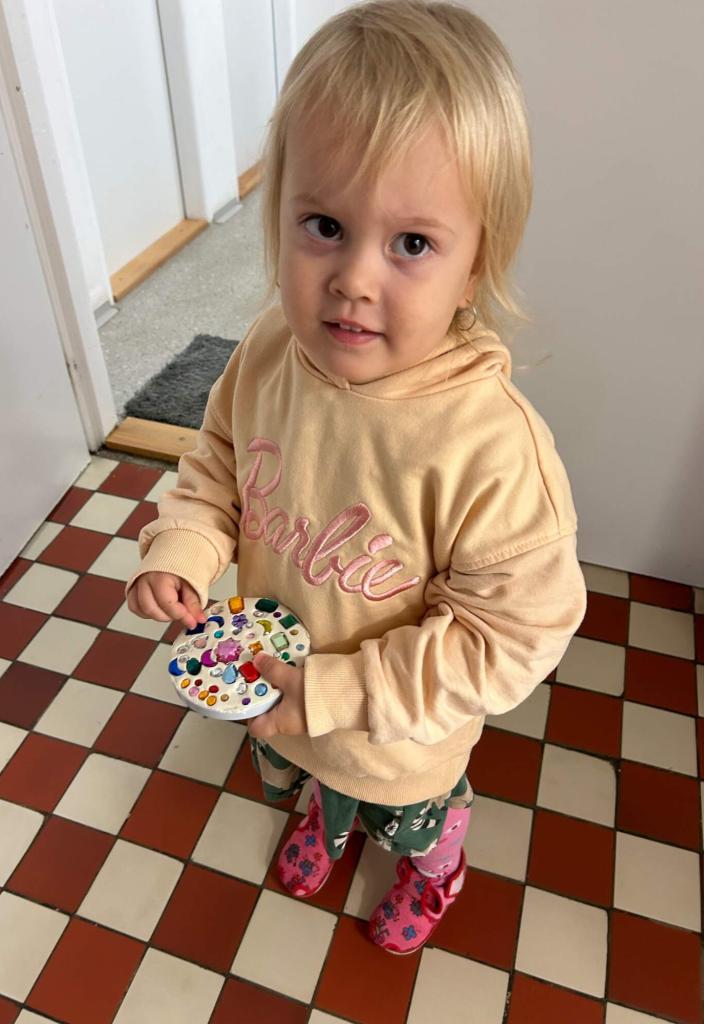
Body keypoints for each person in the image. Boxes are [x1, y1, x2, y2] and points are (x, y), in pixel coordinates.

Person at [126, 0, 587, 955]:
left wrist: (339, 695)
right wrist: (184, 544)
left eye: (412, 244)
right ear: (278, 217)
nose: (355, 280)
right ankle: (325, 816)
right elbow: (217, 463)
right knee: (315, 782)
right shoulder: (267, 352)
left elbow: (511, 638)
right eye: (325, 225)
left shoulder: (490, 451)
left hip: (401, 742)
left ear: (477, 265)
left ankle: (436, 865)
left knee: (407, 820)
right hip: (281, 701)